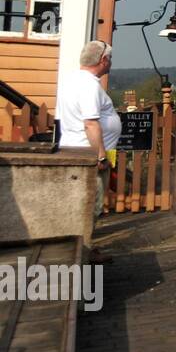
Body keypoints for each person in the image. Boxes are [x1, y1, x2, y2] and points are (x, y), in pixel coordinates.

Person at [56, 40, 121, 221]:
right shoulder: (89, 86)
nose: (110, 62)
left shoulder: (71, 80)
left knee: (77, 204)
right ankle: (83, 245)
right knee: (90, 205)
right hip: (90, 156)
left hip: (74, 149)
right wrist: (100, 157)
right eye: (110, 58)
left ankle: (79, 242)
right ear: (103, 60)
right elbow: (90, 123)